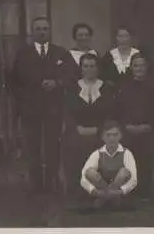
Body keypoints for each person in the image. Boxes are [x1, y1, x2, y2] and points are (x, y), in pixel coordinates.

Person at [11, 16, 70, 195]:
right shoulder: (23, 54)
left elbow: (71, 75)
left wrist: (57, 83)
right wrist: (25, 99)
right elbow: (14, 82)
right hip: (31, 109)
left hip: (53, 109)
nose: (42, 32)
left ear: (49, 31)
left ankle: (51, 182)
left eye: (45, 28)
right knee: (32, 147)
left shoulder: (61, 53)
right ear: (32, 32)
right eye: (38, 28)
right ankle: (36, 184)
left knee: (53, 146)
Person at [62, 53, 116, 206]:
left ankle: (102, 195)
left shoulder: (106, 88)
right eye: (85, 66)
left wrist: (99, 130)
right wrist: (77, 128)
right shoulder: (73, 88)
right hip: (78, 131)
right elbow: (67, 112)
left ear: (97, 68)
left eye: (92, 66)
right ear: (81, 68)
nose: (89, 69)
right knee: (74, 148)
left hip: (101, 133)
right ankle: (78, 195)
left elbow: (110, 113)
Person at [116, 53, 154, 198]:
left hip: (149, 130)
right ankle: (130, 190)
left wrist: (148, 126)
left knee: (148, 157)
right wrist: (126, 126)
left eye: (142, 65)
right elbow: (118, 111)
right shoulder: (124, 87)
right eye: (136, 65)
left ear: (147, 67)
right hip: (128, 130)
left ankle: (147, 191)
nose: (139, 68)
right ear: (131, 68)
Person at [80, 120, 138, 211]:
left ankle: (104, 201)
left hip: (118, 190)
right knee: (89, 172)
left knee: (124, 172)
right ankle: (108, 198)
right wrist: (94, 191)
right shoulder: (97, 153)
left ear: (120, 136)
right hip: (101, 188)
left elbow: (134, 179)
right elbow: (83, 177)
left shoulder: (126, 153)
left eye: (115, 135)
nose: (112, 138)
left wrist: (121, 191)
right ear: (103, 137)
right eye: (108, 135)